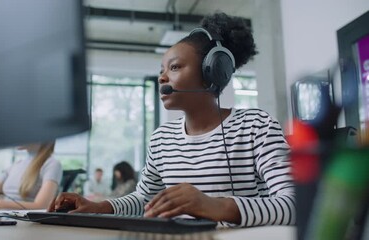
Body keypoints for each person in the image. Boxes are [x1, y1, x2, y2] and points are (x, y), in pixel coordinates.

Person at [48, 12, 295, 227]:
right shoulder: (162, 138)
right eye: (161, 71)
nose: (162, 78)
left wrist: (217, 207)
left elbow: (293, 204)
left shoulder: (256, 127)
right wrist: (98, 207)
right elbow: (144, 200)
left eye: (174, 67)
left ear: (213, 72)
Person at [0, 142, 62, 209]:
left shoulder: (51, 164)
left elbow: (42, 205)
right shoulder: (17, 164)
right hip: (3, 216)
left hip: (23, 220)